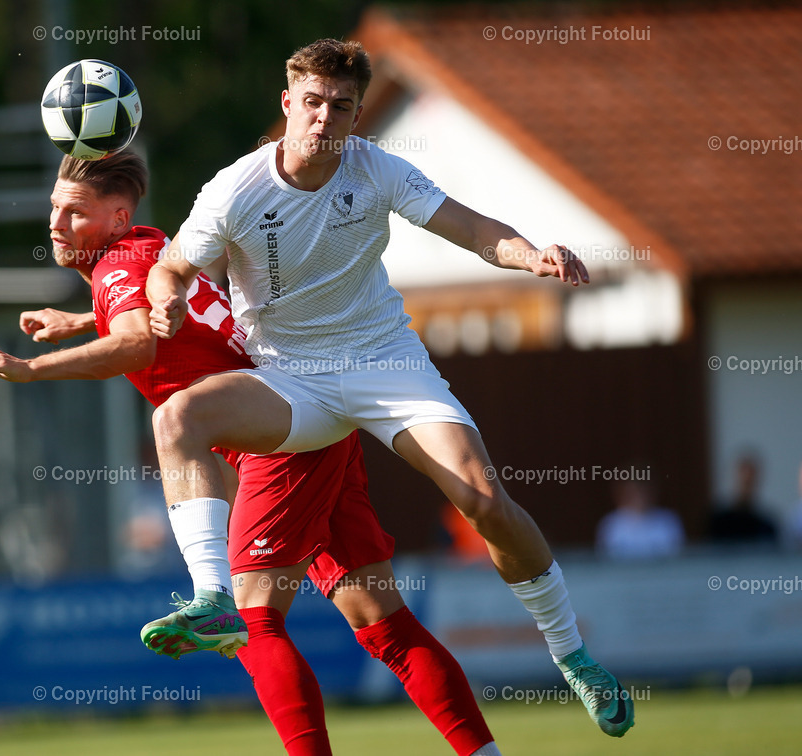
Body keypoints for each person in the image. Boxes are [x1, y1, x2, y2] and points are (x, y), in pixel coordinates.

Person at [146, 38, 633, 737]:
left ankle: (572, 655)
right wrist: (166, 297)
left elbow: (470, 226)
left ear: (357, 115)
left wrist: (531, 254)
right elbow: (170, 267)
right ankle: (211, 599)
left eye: (341, 107)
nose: (324, 118)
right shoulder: (236, 189)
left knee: (483, 500)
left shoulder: (376, 169)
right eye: (312, 103)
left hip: (385, 365)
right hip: (291, 380)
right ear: (287, 103)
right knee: (177, 419)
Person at [0, 152, 500, 755]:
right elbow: (155, 312)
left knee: (252, 623)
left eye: (74, 212)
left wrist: (30, 368)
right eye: (54, 208)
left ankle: (210, 598)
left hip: (282, 435)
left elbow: (135, 347)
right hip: (316, 422)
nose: (56, 223)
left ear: (117, 218)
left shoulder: (117, 263)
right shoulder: (150, 247)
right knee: (382, 623)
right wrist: (85, 320)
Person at [596, 478, 684, 560]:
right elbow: (605, 560)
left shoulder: (668, 521)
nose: (639, 497)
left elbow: (676, 558)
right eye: (633, 492)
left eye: (642, 491)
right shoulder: (610, 524)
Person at [709, 453, 778, 545]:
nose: (746, 488)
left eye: (750, 482)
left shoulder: (766, 527)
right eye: (744, 482)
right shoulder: (718, 523)